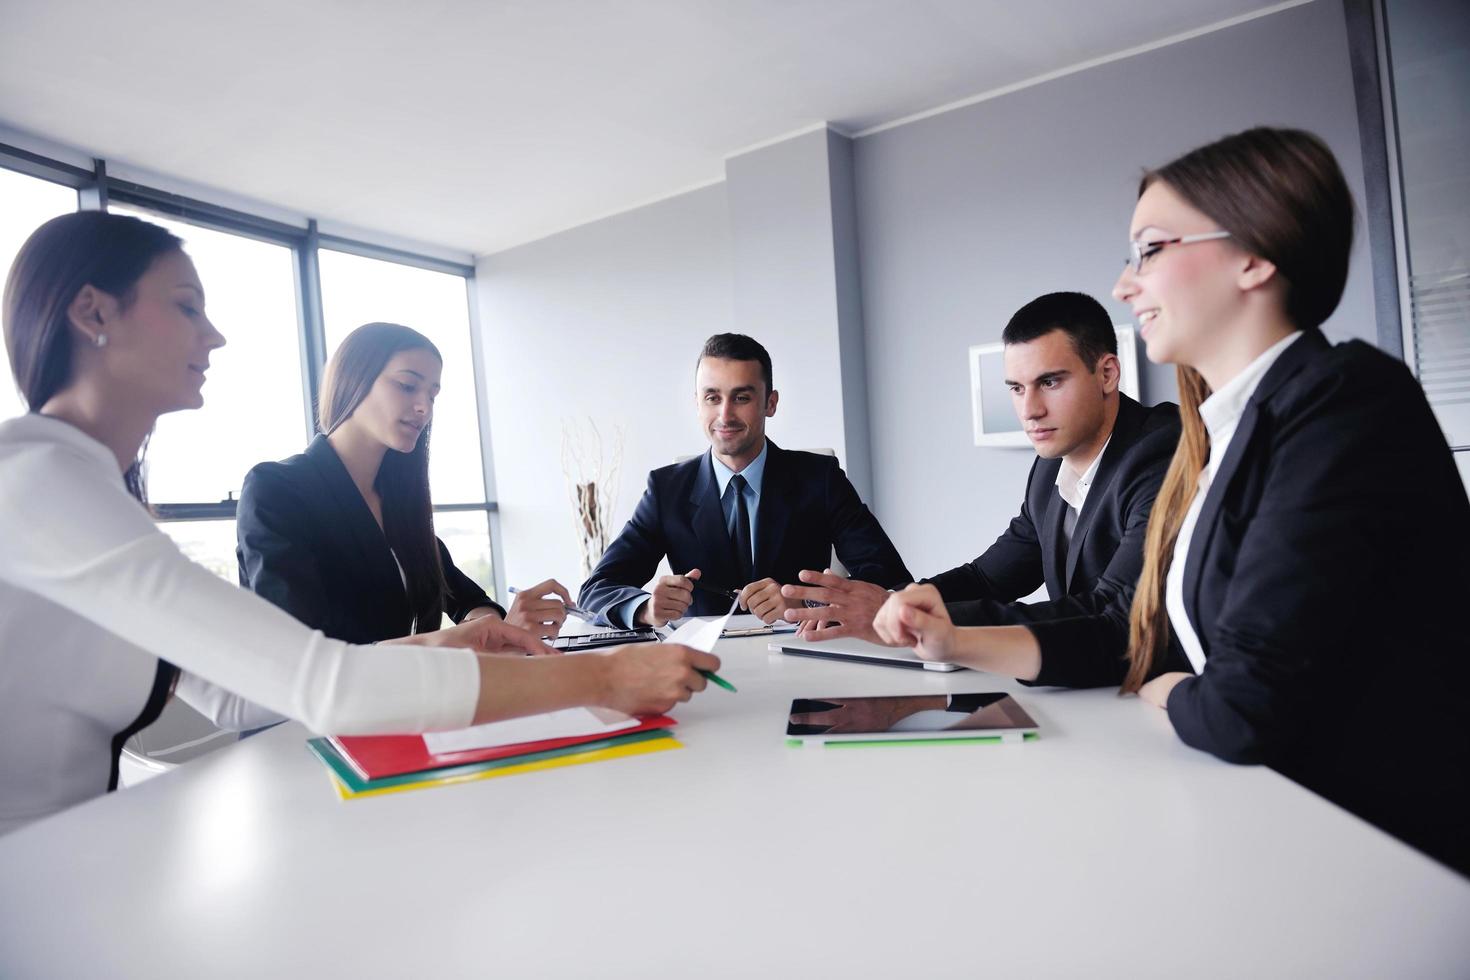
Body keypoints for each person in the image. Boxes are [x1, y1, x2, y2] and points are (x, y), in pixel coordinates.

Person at [0, 212, 717, 835]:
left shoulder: (91, 496)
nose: (214, 335)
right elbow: (321, 679)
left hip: (74, 854)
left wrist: (448, 639)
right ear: (93, 314)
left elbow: (240, 699)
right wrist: (603, 678)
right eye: (187, 306)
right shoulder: (36, 483)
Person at [872, 128, 1470, 874]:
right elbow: (1134, 630)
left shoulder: (1345, 403)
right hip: (1266, 817)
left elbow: (1239, 705)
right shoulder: (1228, 432)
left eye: (1150, 249)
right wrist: (953, 639)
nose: (1127, 285)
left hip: (1379, 852)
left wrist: (1173, 688)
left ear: (1254, 257)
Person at [782, 292, 1179, 651]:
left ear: (1107, 374)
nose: (1030, 410)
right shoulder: (1047, 471)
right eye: (1016, 388)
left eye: (1050, 382)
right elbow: (988, 579)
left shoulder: (1160, 455)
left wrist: (911, 619)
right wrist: (894, 602)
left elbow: (1110, 610)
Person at [237, 322, 571, 645]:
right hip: (324, 700)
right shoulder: (276, 490)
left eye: (433, 394)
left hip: (403, 697)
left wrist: (492, 629)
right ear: (355, 380)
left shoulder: (397, 503)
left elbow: (467, 600)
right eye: (407, 386)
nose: (424, 407)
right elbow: (306, 648)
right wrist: (468, 639)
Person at [578, 332, 911, 627]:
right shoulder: (666, 491)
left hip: (801, 664)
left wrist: (805, 601)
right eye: (712, 398)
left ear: (770, 403)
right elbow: (596, 590)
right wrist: (646, 608)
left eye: (741, 397)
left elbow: (890, 580)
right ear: (697, 404)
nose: (725, 415)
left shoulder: (821, 479)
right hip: (701, 674)